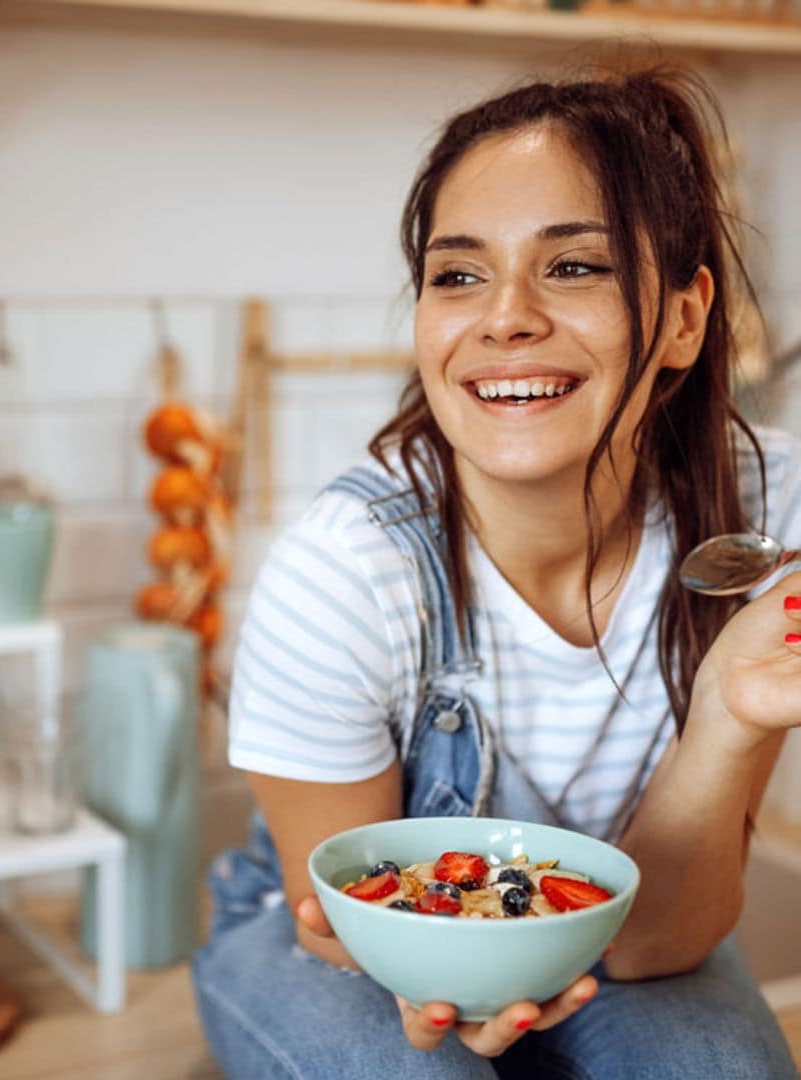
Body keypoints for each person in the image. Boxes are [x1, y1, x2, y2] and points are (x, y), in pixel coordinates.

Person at [190, 65, 801, 1079]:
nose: (504, 318)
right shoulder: (345, 570)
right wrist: (477, 989)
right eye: (459, 275)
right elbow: (345, 923)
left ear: (686, 320)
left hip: (624, 933)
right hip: (333, 946)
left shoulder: (764, 527)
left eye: (576, 267)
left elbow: (654, 941)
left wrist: (734, 711)